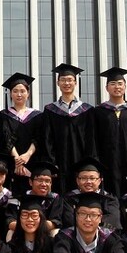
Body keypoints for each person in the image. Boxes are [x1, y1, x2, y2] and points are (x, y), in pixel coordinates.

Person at [93, 67, 127, 196]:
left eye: (120, 84)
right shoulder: (99, 112)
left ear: (125, 87)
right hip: (107, 162)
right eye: (112, 84)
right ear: (106, 88)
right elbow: (93, 139)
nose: (117, 87)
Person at [43, 63, 95, 191]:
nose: (67, 83)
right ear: (58, 83)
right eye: (63, 80)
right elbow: (47, 139)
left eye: (70, 80)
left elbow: (92, 139)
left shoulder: (87, 110)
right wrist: (52, 163)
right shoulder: (50, 110)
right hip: (59, 163)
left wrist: (89, 164)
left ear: (76, 83)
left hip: (81, 160)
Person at [0, 73, 43, 193]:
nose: (19, 94)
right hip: (10, 162)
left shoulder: (37, 116)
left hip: (32, 160)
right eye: (15, 91)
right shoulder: (3, 115)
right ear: (10, 94)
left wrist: (27, 155)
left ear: (28, 94)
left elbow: (39, 137)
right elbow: (5, 137)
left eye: (22, 91)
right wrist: (17, 159)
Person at [60, 159, 121, 231]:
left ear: (99, 180)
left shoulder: (109, 199)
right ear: (77, 181)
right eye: (84, 178)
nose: (88, 182)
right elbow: (69, 220)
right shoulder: (69, 198)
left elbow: (113, 220)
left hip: (104, 237)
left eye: (92, 178)